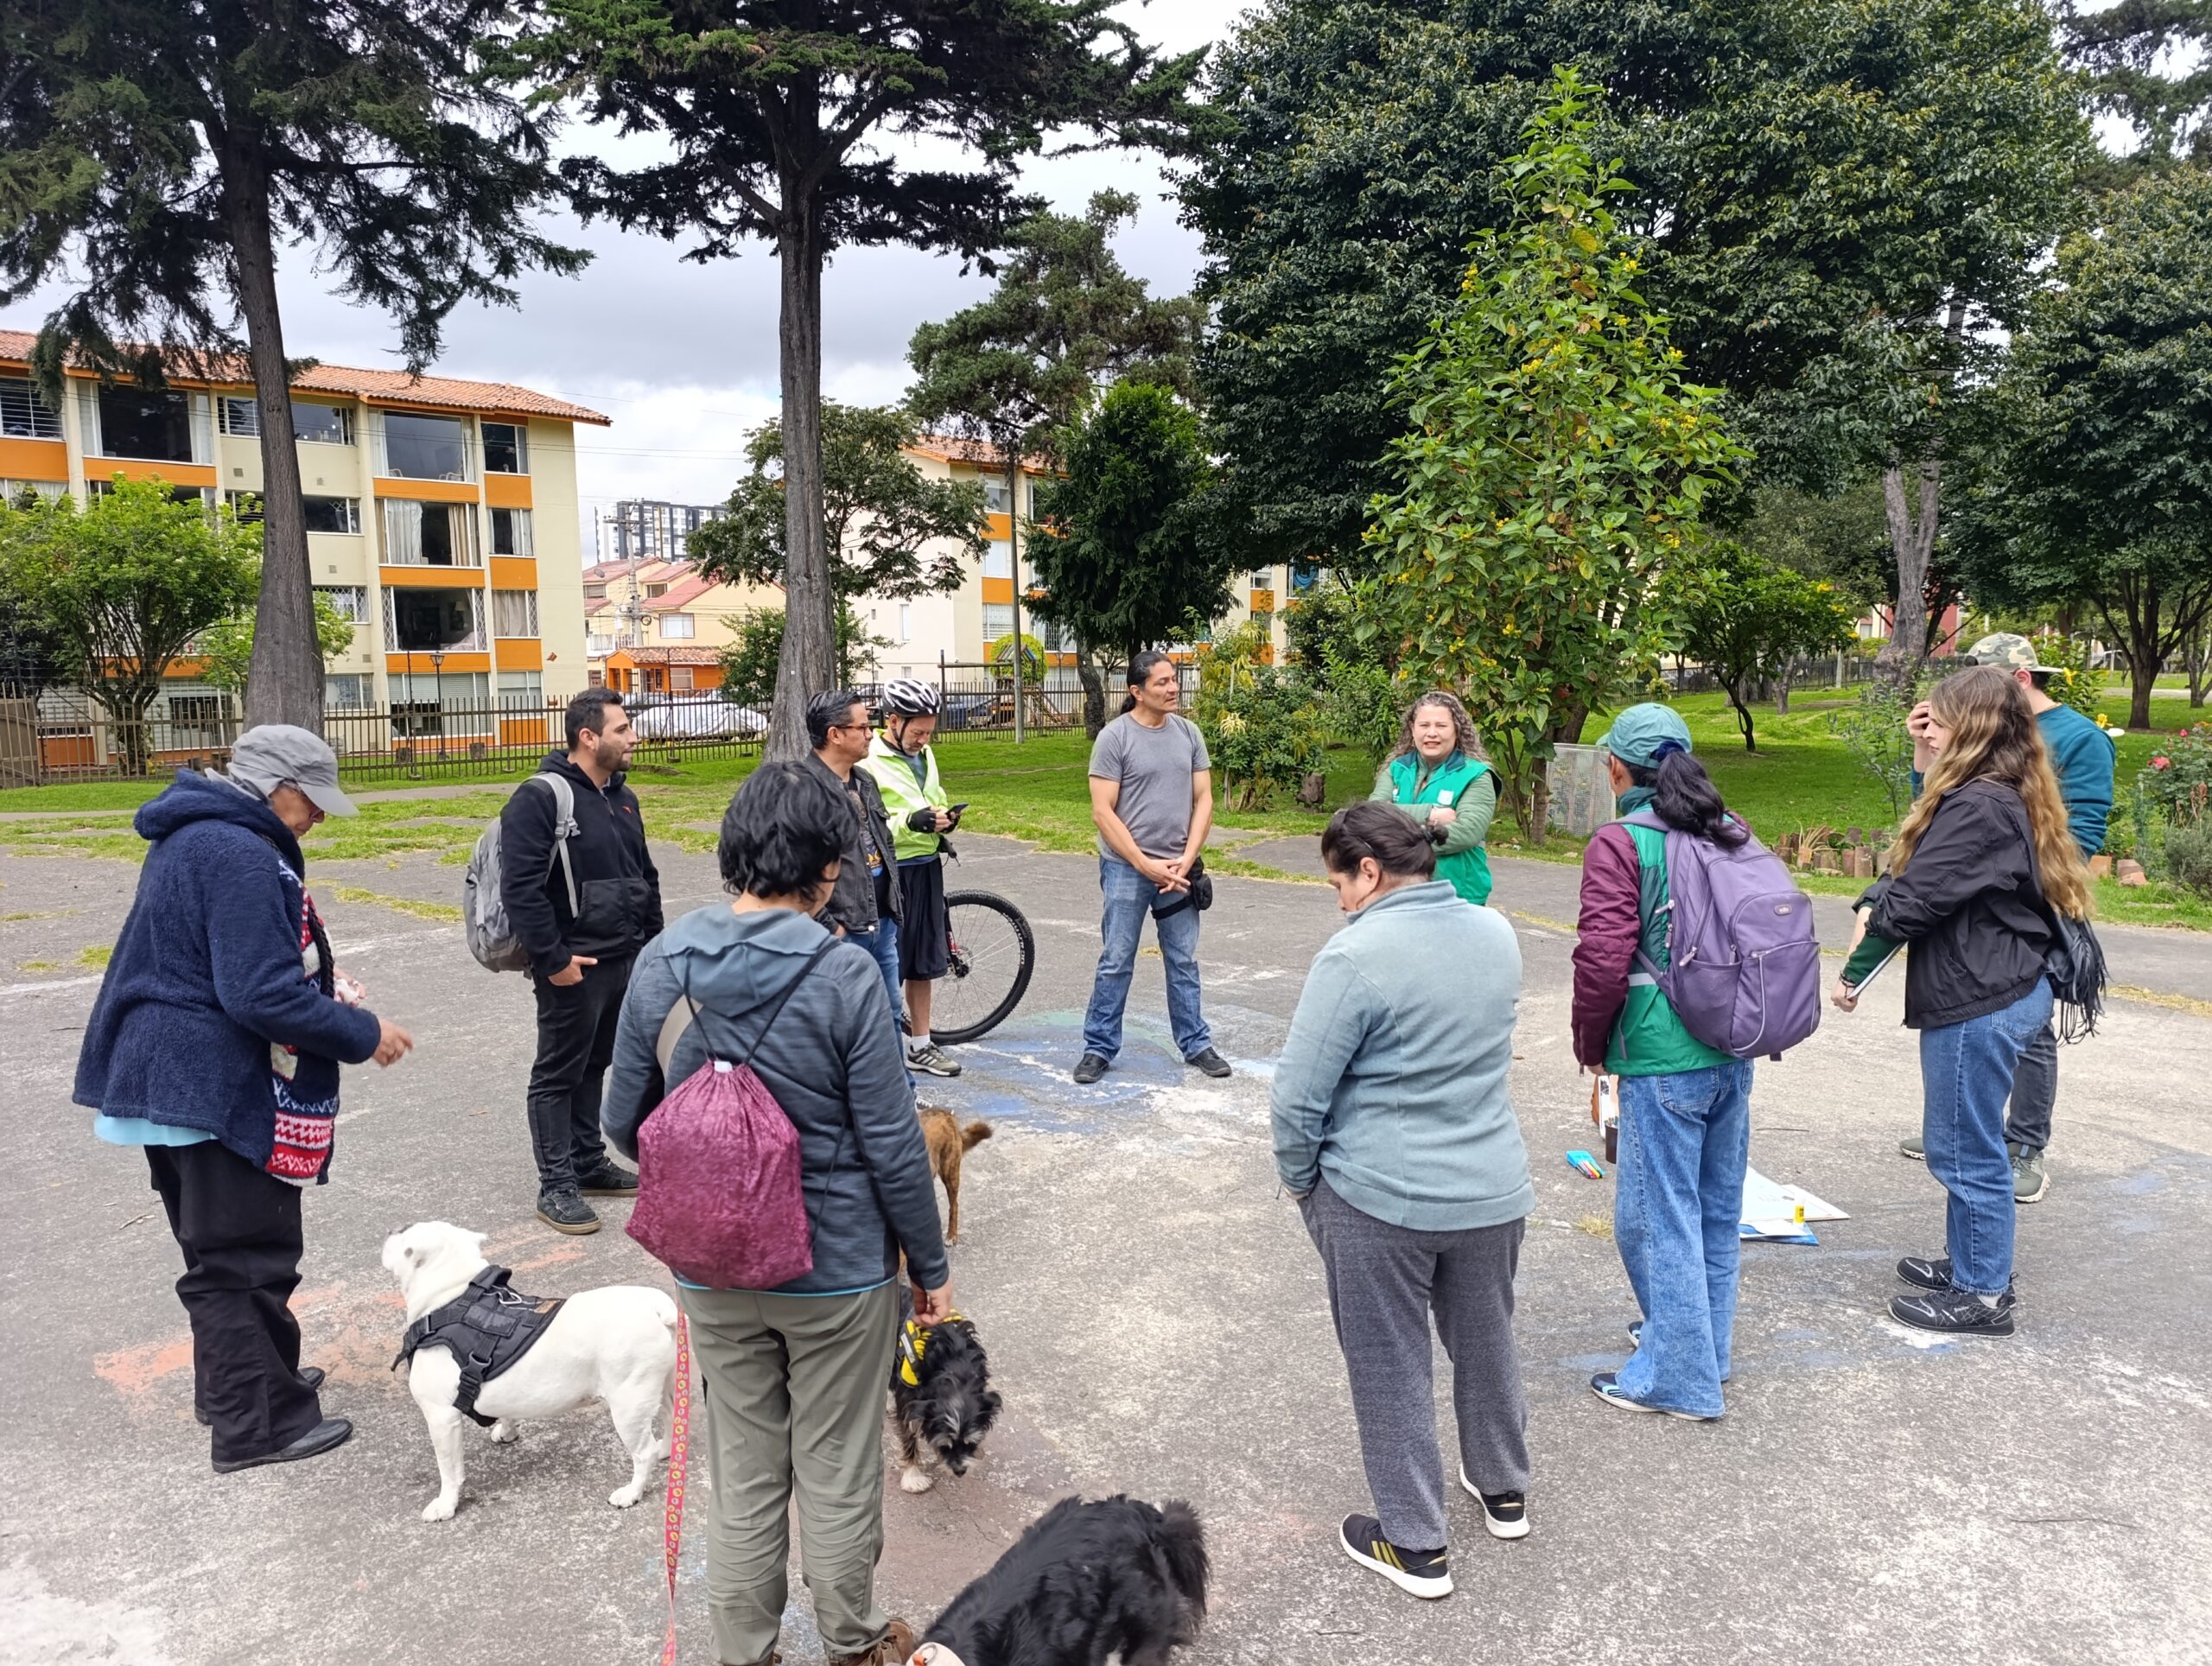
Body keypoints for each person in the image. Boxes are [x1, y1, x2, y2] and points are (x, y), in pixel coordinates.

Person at [601, 761, 950, 1666]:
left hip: (712, 1271)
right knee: (835, 1466)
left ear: (732, 853)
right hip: (836, 1272)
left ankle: (746, 1650)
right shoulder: (842, 975)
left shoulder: (665, 960)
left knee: (745, 1470)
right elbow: (891, 1139)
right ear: (828, 868)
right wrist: (931, 1266)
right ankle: (852, 1641)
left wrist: (709, 1185)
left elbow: (619, 1123)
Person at [73, 725, 413, 1472]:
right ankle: (258, 1423)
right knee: (246, 1258)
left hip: (166, 1077)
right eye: (312, 801)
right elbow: (258, 994)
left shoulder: (197, 834)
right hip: (207, 1083)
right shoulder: (237, 852)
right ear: (273, 787)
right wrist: (361, 1031)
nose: (319, 817)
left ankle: (241, 1386)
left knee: (216, 1250)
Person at [1273, 802, 1534, 1600]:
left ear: (1371, 873)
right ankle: (1503, 1490)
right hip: (1492, 1188)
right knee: (1486, 1338)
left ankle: (1416, 1543)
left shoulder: (1354, 955)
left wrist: (1301, 1182)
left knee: (1389, 1363)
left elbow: (1296, 1101)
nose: (1339, 899)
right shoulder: (1498, 933)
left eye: (1339, 885)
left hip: (1382, 1198)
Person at [1831, 666, 2093, 1337]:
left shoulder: (1979, 806)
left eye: (1940, 720)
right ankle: (1973, 1262)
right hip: (2003, 985)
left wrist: (1855, 970)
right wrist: (1925, 757)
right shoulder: (2000, 790)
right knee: (1965, 1141)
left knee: (1962, 1150)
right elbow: (1933, 848)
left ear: (1972, 730)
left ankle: (1981, 1294)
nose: (1930, 726)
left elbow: (1914, 896)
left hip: (1980, 998)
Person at [1570, 703, 1753, 1421]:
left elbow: (1604, 959)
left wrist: (1592, 1044)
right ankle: (1705, 1348)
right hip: (1732, 1045)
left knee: (1653, 1218)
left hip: (1659, 1052)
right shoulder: (1729, 830)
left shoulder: (1621, 841)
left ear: (1617, 766)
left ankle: (1676, 1378)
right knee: (1712, 1210)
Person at [1896, 633, 2115, 1205]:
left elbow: (2087, 823)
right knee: (1978, 1013)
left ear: (2018, 682)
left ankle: (2024, 1146)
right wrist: (1926, 752)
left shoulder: (2080, 738)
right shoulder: (1974, 733)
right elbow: (1937, 808)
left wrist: (2036, 879)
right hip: (1980, 884)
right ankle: (1968, 1127)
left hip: (2033, 893)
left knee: (2025, 1017)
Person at [500, 687, 663, 1236]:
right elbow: (520, 888)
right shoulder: (540, 798)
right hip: (575, 963)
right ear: (588, 737)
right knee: (557, 1072)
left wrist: (652, 946)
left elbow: (646, 874)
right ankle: (556, 1186)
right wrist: (553, 959)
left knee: (595, 1064)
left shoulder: (623, 796)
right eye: (622, 729)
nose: (634, 737)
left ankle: (588, 1162)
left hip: (624, 955)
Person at [1073, 652, 1230, 1085]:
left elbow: (1205, 801)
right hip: (1127, 869)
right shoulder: (1114, 737)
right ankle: (1098, 1048)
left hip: (1179, 869)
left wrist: (1186, 857)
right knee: (1117, 959)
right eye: (1161, 682)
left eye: (1174, 679)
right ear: (1136, 691)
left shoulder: (1188, 733)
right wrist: (1145, 864)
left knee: (1183, 959)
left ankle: (1196, 1043)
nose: (1172, 688)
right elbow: (1102, 813)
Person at [861, 678, 964, 1078]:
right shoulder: (868, 760)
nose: (924, 739)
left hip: (924, 865)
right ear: (893, 721)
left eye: (929, 731)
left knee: (922, 960)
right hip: (890, 869)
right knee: (889, 962)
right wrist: (911, 822)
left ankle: (920, 1045)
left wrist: (942, 819)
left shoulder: (926, 754)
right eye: (918, 731)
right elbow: (872, 819)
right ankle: (880, 1052)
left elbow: (931, 797)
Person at [806, 687, 903, 1018]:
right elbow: (795, 870)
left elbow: (883, 843)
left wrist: (892, 908)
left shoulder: (864, 781)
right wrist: (832, 927)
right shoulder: (804, 789)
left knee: (889, 1012)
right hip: (840, 932)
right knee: (842, 1023)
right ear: (834, 734)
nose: (870, 734)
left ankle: (897, 1074)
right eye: (862, 727)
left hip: (881, 923)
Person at [1370, 690, 1498, 906]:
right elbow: (1373, 814)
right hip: (1396, 891)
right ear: (1412, 729)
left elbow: (1467, 832)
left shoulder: (1477, 775)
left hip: (1457, 895)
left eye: (1441, 726)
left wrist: (1395, 843)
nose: (1431, 733)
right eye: (1424, 725)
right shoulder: (1396, 769)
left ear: (1457, 730)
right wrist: (1429, 814)